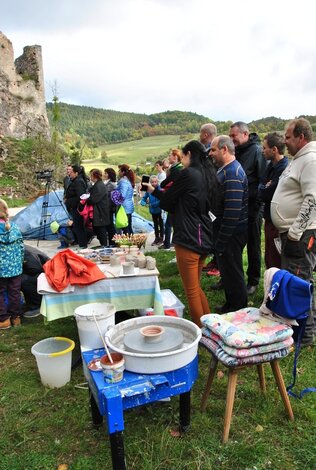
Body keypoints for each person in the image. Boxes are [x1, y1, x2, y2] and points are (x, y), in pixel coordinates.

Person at [144, 140, 218, 326]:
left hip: (188, 237)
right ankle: (210, 325)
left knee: (191, 290)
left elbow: (168, 201)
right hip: (204, 236)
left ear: (189, 155)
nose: (181, 160)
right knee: (196, 287)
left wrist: (156, 192)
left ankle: (201, 331)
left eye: (183, 156)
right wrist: (156, 191)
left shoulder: (188, 174)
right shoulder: (207, 174)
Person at [271, 118, 316, 346]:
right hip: (293, 233)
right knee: (295, 281)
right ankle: (298, 332)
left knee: (299, 283)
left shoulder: (310, 160)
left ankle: (304, 337)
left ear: (301, 137)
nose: (285, 141)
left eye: (288, 137)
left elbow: (313, 199)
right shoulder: (299, 159)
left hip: (301, 234)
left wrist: (295, 233)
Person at [210, 135, 248, 313]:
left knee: (233, 271)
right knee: (227, 271)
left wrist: (222, 240)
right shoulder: (226, 169)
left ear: (224, 149)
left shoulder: (232, 172)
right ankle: (230, 303)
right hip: (225, 231)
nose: (211, 154)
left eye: (213, 150)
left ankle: (239, 309)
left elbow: (232, 212)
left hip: (231, 233)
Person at [229, 121, 266, 295]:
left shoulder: (257, 151)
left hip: (253, 207)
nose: (231, 139)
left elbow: (263, 180)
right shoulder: (237, 150)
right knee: (234, 245)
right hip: (238, 207)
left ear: (245, 134)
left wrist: (257, 205)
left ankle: (253, 281)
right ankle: (230, 277)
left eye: (233, 136)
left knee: (252, 245)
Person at [258, 132, 288, 269]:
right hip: (269, 218)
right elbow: (262, 186)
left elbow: (267, 192)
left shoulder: (284, 169)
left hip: (278, 222)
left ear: (274, 149)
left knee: (277, 257)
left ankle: (278, 287)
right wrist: (264, 186)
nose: (262, 151)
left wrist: (265, 187)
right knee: (269, 256)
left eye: (264, 148)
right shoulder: (270, 166)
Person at [0, 199, 24, 329]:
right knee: (15, 292)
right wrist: (19, 263)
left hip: (1, 269)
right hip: (15, 268)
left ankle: (4, 319)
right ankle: (16, 318)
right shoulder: (15, 227)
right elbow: (21, 247)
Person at [159, 149, 183, 250]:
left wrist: (163, 185)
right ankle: (172, 243)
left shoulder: (177, 169)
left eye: (170, 155)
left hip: (176, 200)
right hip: (177, 200)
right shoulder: (177, 168)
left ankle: (168, 244)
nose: (169, 157)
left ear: (176, 157)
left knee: (169, 223)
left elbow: (165, 183)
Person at [21, 245, 50, 318]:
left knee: (23, 280)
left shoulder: (25, 252)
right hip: (37, 271)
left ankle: (36, 306)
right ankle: (30, 303)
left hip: (46, 273)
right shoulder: (18, 247)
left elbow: (34, 269)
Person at [64, 164, 88, 248]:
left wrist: (69, 201)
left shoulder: (78, 182)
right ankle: (82, 244)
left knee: (79, 227)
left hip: (77, 208)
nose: (69, 173)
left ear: (76, 173)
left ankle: (83, 245)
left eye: (71, 172)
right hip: (74, 207)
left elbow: (81, 197)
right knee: (77, 227)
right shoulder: (75, 180)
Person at [86, 169, 111, 247]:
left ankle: (104, 245)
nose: (90, 177)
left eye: (91, 175)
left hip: (100, 212)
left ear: (95, 176)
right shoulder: (98, 184)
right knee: (98, 229)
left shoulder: (99, 186)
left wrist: (87, 199)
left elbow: (94, 199)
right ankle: (103, 244)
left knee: (101, 229)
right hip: (99, 211)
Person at [140, 175, 164, 245]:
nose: (154, 183)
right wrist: (143, 201)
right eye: (152, 182)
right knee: (155, 224)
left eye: (155, 182)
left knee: (161, 224)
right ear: (150, 182)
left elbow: (161, 200)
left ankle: (161, 238)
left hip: (160, 210)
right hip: (153, 211)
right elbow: (145, 197)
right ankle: (156, 238)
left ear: (158, 182)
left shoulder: (160, 189)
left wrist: (153, 204)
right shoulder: (149, 189)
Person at [116, 164, 136, 235]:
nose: (118, 172)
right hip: (128, 205)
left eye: (119, 171)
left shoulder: (123, 181)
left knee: (126, 227)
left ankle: (128, 243)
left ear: (123, 172)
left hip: (124, 207)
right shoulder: (128, 180)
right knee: (128, 226)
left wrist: (114, 196)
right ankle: (131, 242)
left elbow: (122, 195)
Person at [104, 168, 117, 246]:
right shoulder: (105, 183)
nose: (104, 175)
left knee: (110, 226)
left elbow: (113, 198)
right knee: (109, 225)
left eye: (106, 173)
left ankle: (113, 242)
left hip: (109, 208)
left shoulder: (112, 185)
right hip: (106, 208)